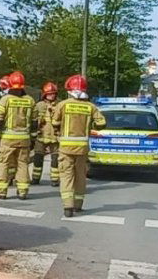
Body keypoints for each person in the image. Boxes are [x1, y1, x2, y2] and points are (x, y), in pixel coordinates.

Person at [52, 74, 106, 217]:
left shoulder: (62, 105)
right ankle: (78, 205)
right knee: (80, 176)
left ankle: (68, 207)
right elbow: (102, 123)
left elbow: (55, 123)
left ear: (69, 90)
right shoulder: (91, 107)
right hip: (82, 148)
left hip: (65, 148)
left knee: (66, 176)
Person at [0, 71, 37, 200]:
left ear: (10, 84)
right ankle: (23, 191)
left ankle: (1, 191)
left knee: (4, 163)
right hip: (24, 139)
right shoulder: (30, 100)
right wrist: (33, 138)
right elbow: (34, 122)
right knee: (23, 164)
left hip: (7, 139)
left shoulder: (5, 100)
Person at [32, 82, 60, 186]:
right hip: (41, 135)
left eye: (53, 93)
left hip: (55, 136)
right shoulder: (39, 105)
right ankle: (35, 178)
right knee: (38, 157)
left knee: (55, 159)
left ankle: (55, 179)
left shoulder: (59, 105)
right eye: (49, 93)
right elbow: (34, 119)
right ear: (45, 94)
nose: (51, 95)